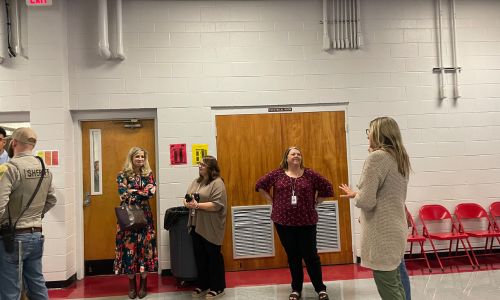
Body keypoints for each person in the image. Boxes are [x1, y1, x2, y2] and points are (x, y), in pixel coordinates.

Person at [339, 116, 411, 300]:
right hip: (396, 228)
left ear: (378, 133)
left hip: (382, 233)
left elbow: (367, 201)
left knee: (389, 288)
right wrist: (358, 194)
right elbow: (385, 194)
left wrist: (358, 196)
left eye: (369, 130)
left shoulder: (377, 158)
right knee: (396, 283)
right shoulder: (399, 156)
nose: (367, 134)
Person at [256, 146, 333, 300]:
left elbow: (328, 187)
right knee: (293, 256)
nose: (296, 156)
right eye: (293, 154)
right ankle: (296, 289)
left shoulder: (310, 174)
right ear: (286, 158)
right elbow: (260, 185)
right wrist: (270, 200)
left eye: (299, 154)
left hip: (307, 222)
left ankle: (320, 289)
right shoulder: (277, 174)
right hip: (283, 223)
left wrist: (318, 201)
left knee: (311, 256)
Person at [0, 127, 57, 300]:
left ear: (14, 142)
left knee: (10, 290)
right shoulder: (43, 167)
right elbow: (52, 200)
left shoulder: (9, 168)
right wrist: (35, 217)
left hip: (13, 238)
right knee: (37, 284)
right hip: (36, 235)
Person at [114, 147, 157, 299]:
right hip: (128, 217)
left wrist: (133, 192)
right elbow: (123, 193)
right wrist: (138, 193)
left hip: (145, 219)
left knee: (145, 249)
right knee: (129, 250)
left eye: (142, 157)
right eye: (137, 156)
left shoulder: (149, 175)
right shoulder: (122, 175)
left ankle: (143, 283)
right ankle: (131, 284)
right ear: (131, 158)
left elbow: (150, 193)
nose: (140, 159)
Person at [183, 156, 227, 299]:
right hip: (197, 224)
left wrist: (197, 205)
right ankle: (203, 284)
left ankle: (217, 287)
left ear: (211, 167)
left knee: (213, 257)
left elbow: (216, 205)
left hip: (211, 226)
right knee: (200, 256)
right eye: (199, 164)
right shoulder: (197, 182)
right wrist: (187, 203)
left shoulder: (217, 183)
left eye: (203, 164)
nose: (200, 166)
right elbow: (187, 196)